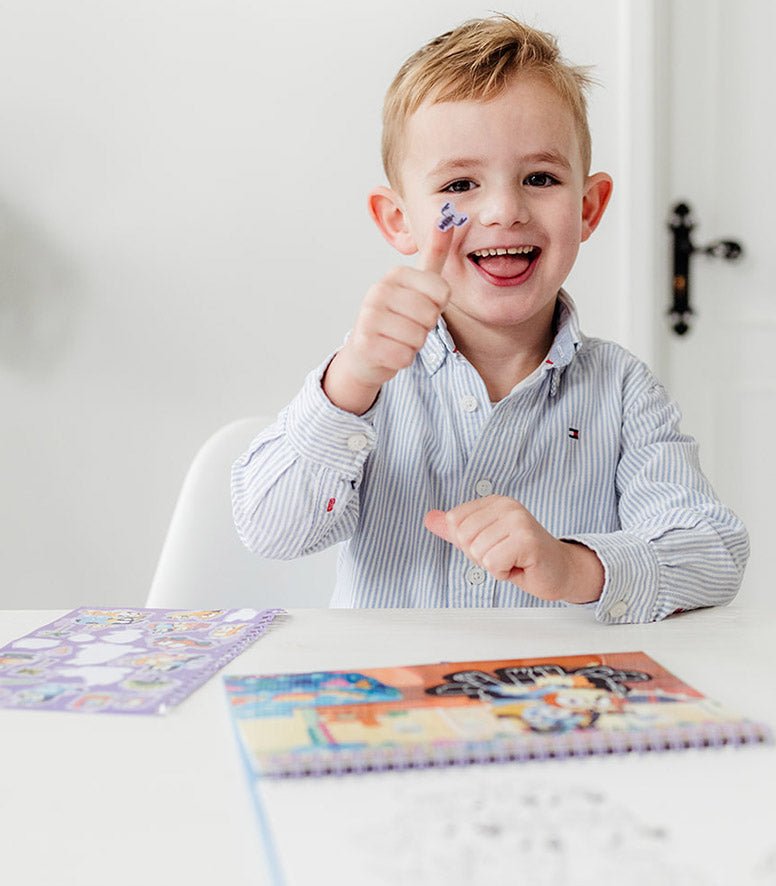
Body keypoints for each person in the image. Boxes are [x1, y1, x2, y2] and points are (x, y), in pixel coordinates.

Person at [231, 14, 748, 622]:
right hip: (396, 680)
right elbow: (270, 530)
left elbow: (713, 553)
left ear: (589, 207)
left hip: (555, 682)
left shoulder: (623, 389)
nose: (504, 210)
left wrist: (573, 566)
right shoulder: (366, 381)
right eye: (460, 184)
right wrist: (351, 381)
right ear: (398, 220)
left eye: (539, 178)